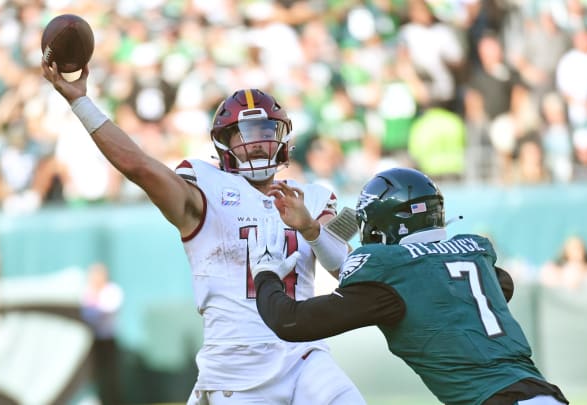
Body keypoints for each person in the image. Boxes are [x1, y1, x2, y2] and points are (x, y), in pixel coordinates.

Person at [41, 60, 364, 405]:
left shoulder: (312, 197)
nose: (257, 143)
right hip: (236, 370)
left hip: (304, 357)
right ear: (225, 143)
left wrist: (311, 229)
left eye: (266, 133)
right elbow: (139, 166)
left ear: (282, 138)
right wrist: (81, 103)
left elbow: (346, 270)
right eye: (246, 135)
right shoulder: (206, 186)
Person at [250, 167, 570, 405]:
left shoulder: (391, 273)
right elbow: (501, 285)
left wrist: (265, 272)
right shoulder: (474, 258)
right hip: (544, 395)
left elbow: (290, 321)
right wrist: (311, 230)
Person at [81, 262, 123, 405]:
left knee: (111, 376)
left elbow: (104, 312)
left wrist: (94, 305)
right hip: (91, 342)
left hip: (107, 341)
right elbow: (86, 315)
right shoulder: (86, 292)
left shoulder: (112, 291)